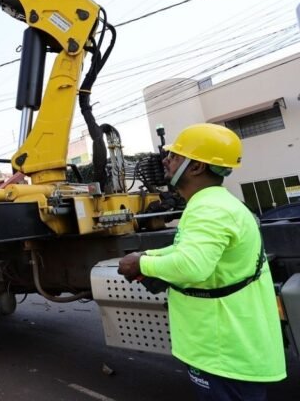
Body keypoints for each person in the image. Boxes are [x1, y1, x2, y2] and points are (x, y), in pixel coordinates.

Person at [118, 123, 286, 400]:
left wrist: (140, 264)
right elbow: (183, 249)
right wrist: (149, 256)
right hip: (227, 349)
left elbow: (191, 266)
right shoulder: (214, 203)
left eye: (175, 156)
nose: (166, 160)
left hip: (222, 354)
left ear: (196, 168)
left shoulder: (208, 209)